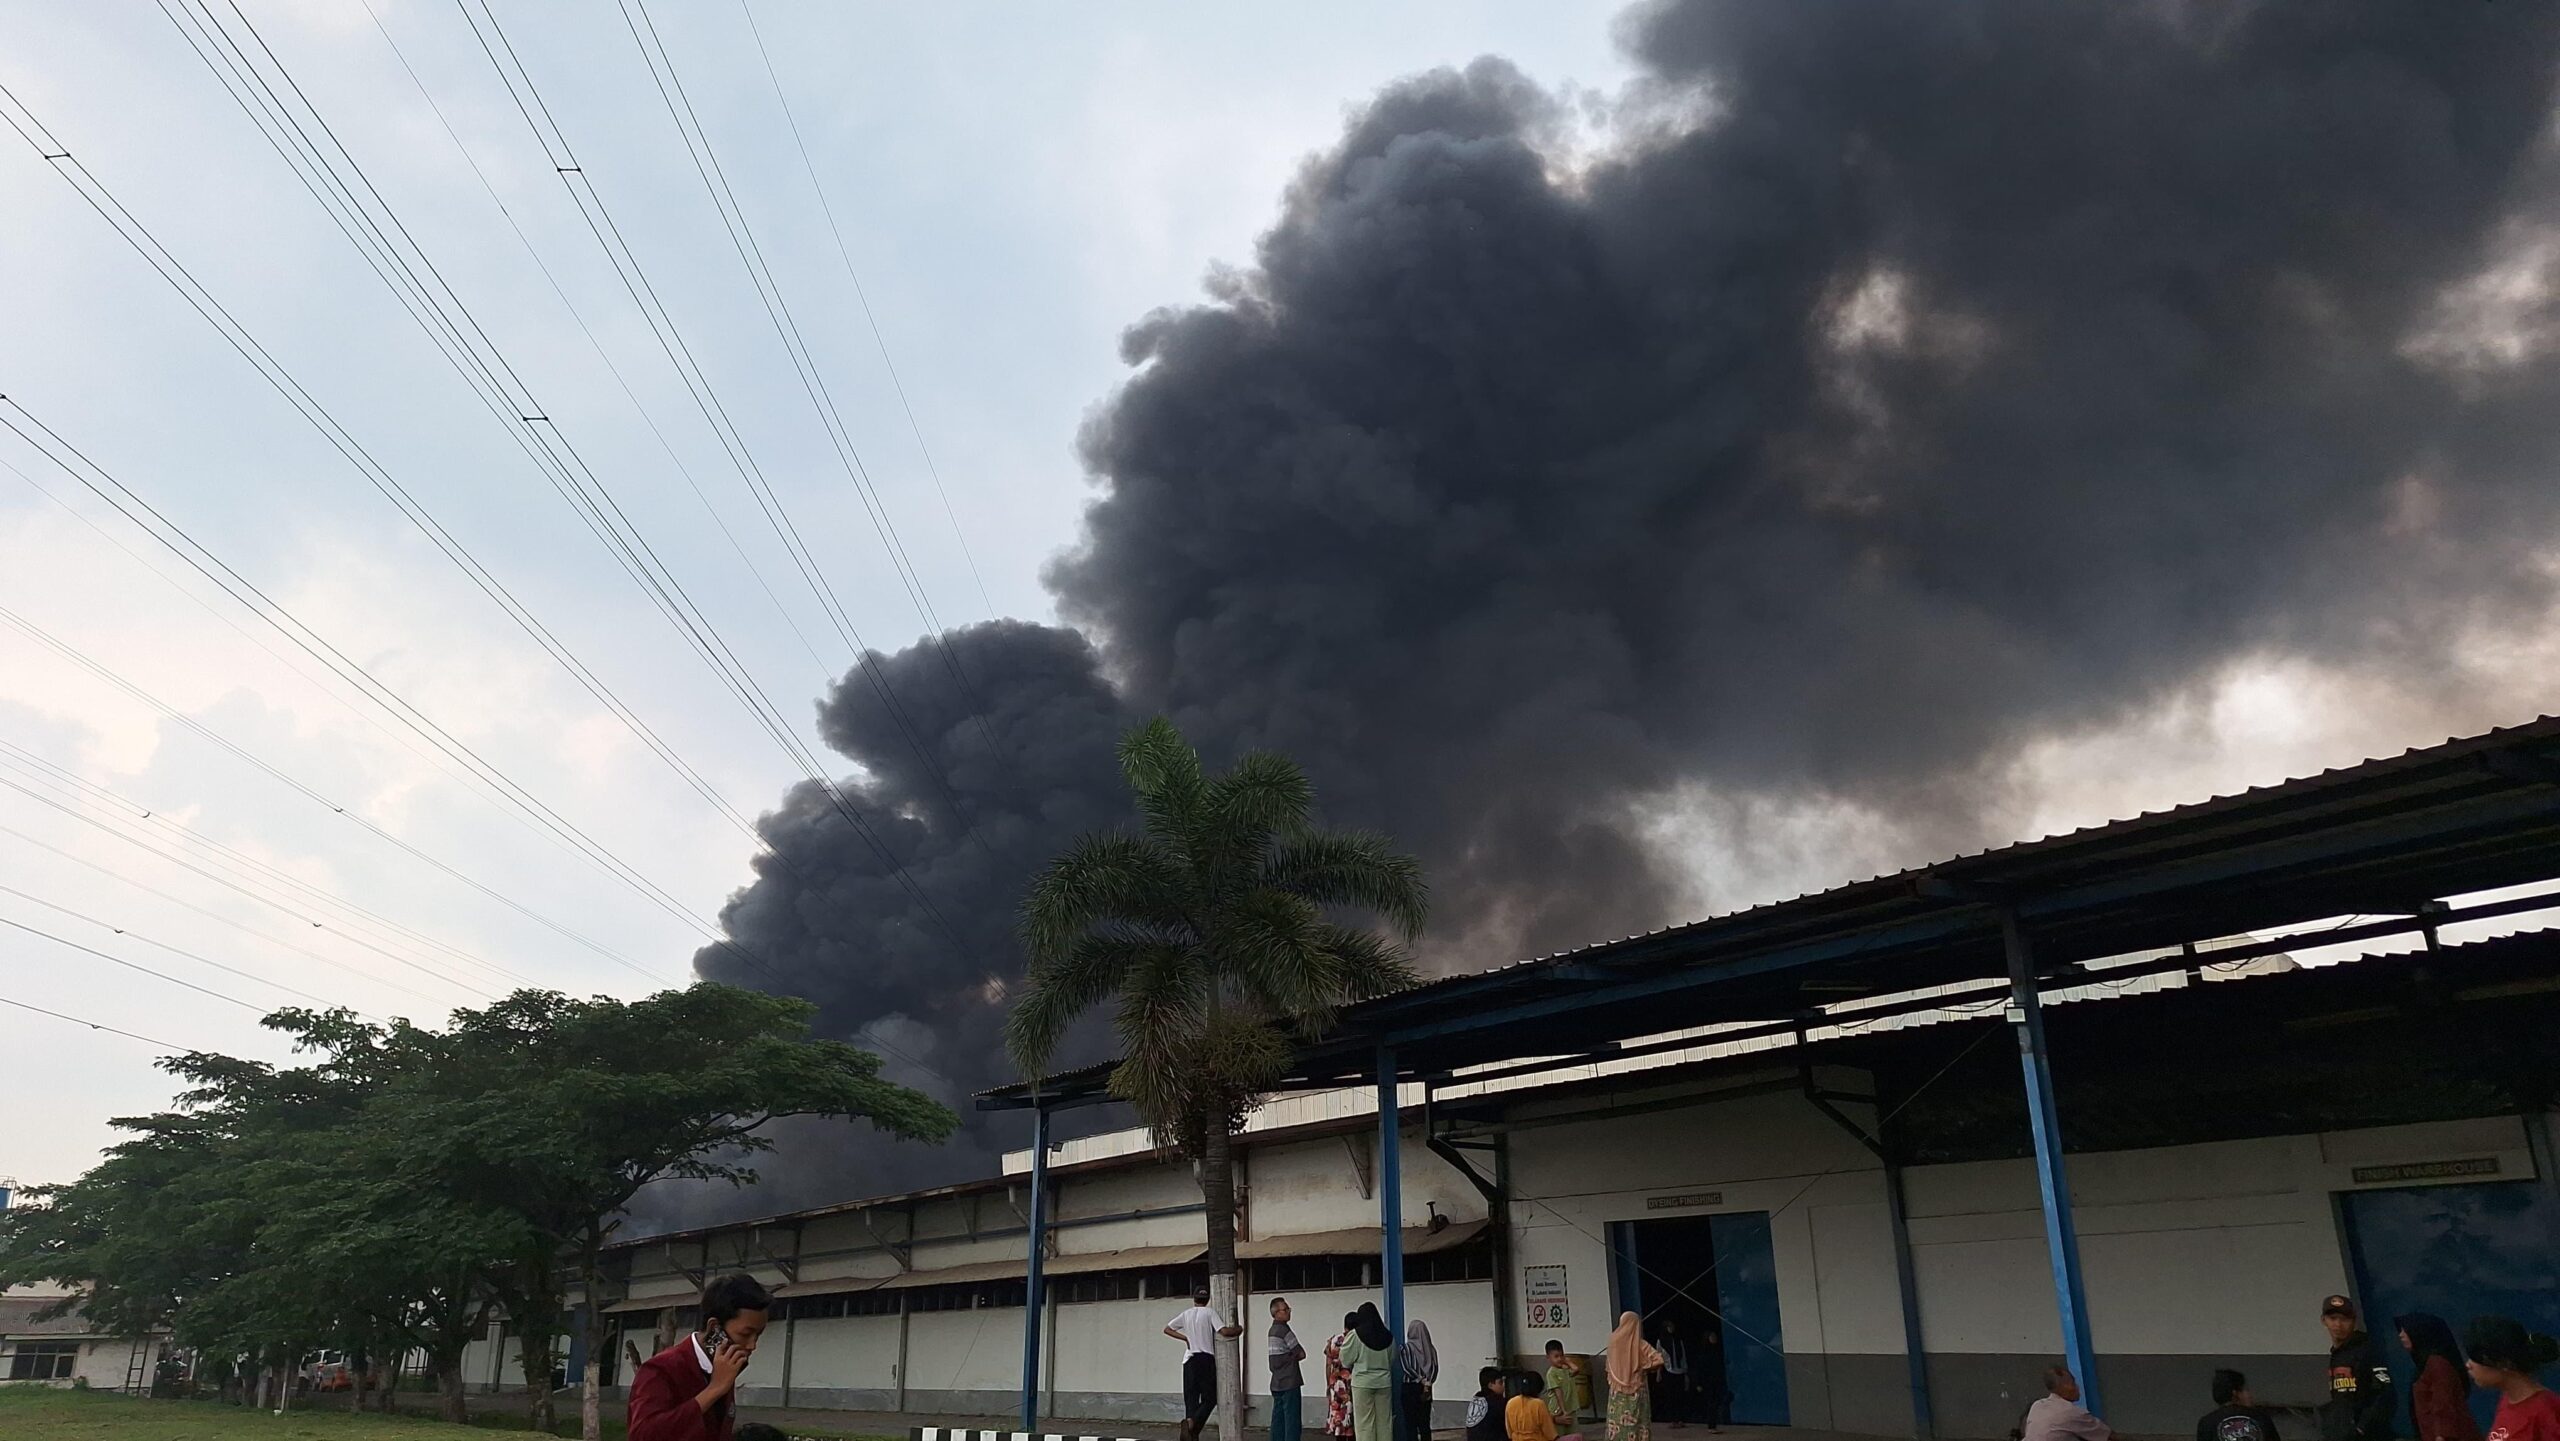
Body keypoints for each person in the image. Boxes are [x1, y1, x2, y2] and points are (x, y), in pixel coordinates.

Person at [628, 1272, 769, 1441]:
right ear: (714, 1327)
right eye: (745, 1334)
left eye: (758, 1335)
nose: (752, 1345)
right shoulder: (661, 1369)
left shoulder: (722, 1367)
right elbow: (642, 1435)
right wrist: (713, 1390)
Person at [1167, 1285, 1246, 1441]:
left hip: (1189, 1359)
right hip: (1205, 1359)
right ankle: (1192, 1424)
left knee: (1191, 1399)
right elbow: (1224, 1332)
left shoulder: (1186, 1314)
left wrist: (1186, 1338)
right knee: (1210, 1398)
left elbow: (1168, 1329)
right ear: (1208, 1299)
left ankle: (1191, 1431)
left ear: (1194, 1299)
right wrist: (1239, 1329)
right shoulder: (1210, 1313)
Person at [2462, 1316, 2560, 1441]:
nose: (2468, 1365)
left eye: (2476, 1359)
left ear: (2504, 1363)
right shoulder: (2507, 1400)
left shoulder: (2546, 1413)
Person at [2324, 1295, 2398, 1441]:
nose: (2338, 1325)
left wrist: (2361, 1428)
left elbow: (2385, 1393)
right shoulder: (2336, 1354)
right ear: (2323, 1321)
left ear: (2354, 1321)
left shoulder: (2367, 1350)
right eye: (2332, 1319)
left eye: (2344, 1319)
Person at [2397, 1314, 2480, 1441]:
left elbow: (2444, 1404)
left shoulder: (2437, 1364)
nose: (2401, 1335)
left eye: (2406, 1330)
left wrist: (2442, 1435)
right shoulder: (2423, 1365)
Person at [1342, 1303, 1400, 1441]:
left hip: (1362, 1384)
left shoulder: (1355, 1335)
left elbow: (1345, 1360)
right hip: (1384, 1383)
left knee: (1364, 1424)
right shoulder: (1388, 1336)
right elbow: (1393, 1358)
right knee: (1385, 1423)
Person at [1605, 1312, 1666, 1441]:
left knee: (1617, 1423)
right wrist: (1643, 1366)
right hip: (1637, 1391)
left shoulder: (1613, 1342)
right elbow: (1660, 1360)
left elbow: (1608, 1366)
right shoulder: (1640, 1345)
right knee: (1638, 1423)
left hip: (1617, 1393)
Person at [2022, 1364, 2111, 1441]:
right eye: (2072, 1383)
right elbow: (2107, 1436)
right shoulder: (2070, 1411)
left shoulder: (2037, 1406)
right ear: (2062, 1386)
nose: (2076, 1387)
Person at [2198, 1367, 2281, 1441]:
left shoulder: (2207, 1422)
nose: (2250, 1395)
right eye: (2246, 1390)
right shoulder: (2261, 1418)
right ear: (2235, 1393)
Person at [1272, 1297, 1310, 1441]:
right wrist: (1292, 1356)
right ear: (1276, 1312)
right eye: (1285, 1309)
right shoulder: (1284, 1330)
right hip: (1290, 1381)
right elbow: (1301, 1353)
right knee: (1292, 1420)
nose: (1288, 1312)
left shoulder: (1272, 1330)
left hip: (1277, 1381)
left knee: (1278, 1420)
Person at [1510, 1366, 1581, 1441]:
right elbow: (1550, 1433)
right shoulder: (1538, 1404)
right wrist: (1555, 1420)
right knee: (1577, 1437)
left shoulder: (1511, 1402)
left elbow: (1509, 1431)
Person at [1402, 1319, 1441, 1441]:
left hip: (1410, 1388)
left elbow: (1406, 1367)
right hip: (1427, 1389)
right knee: (1425, 1423)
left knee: (1410, 1424)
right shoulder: (1431, 1349)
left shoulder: (1405, 1348)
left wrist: (1420, 1379)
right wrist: (1428, 1381)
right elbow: (1435, 1367)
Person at [1327, 1313, 1360, 1440]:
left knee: (1337, 1416)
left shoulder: (1334, 1340)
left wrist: (1328, 1383)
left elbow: (1328, 1364)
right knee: (1350, 1417)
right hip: (1350, 1384)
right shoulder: (1356, 1340)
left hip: (1335, 1384)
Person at [1653, 1320, 1689, 1428]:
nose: (1671, 1329)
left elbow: (1683, 1355)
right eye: (1669, 1327)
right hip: (1668, 1370)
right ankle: (1673, 1419)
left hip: (1680, 1370)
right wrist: (1658, 1373)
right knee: (1670, 1396)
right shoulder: (1661, 1341)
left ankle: (1681, 1419)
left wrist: (1685, 1371)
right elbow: (1659, 1357)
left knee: (1680, 1396)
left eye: (1672, 1326)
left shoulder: (1678, 1340)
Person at [1544, 1341, 1584, 1431]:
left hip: (1570, 1407)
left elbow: (1576, 1370)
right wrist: (1563, 1410)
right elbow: (1558, 1392)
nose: (1559, 1359)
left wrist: (1567, 1361)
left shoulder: (1565, 1370)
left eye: (1561, 1356)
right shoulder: (1551, 1373)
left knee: (1573, 1432)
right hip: (1559, 1409)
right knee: (1560, 1433)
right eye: (1556, 1356)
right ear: (1548, 1357)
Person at [1465, 1366, 1510, 1441]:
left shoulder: (1475, 1399)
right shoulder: (1496, 1402)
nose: (1503, 1385)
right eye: (1500, 1382)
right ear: (1490, 1385)